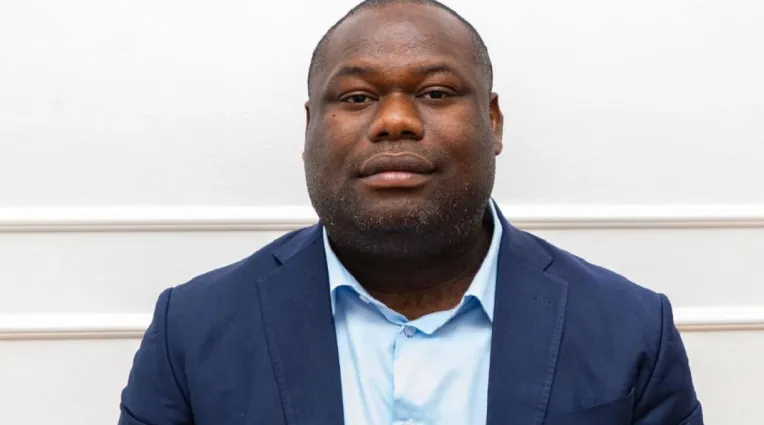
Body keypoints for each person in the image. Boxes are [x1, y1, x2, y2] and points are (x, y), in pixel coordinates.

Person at [118, 0, 704, 424]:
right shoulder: (190, 330)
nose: (395, 121)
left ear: (493, 122)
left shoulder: (631, 328)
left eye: (435, 93)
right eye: (357, 97)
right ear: (309, 128)